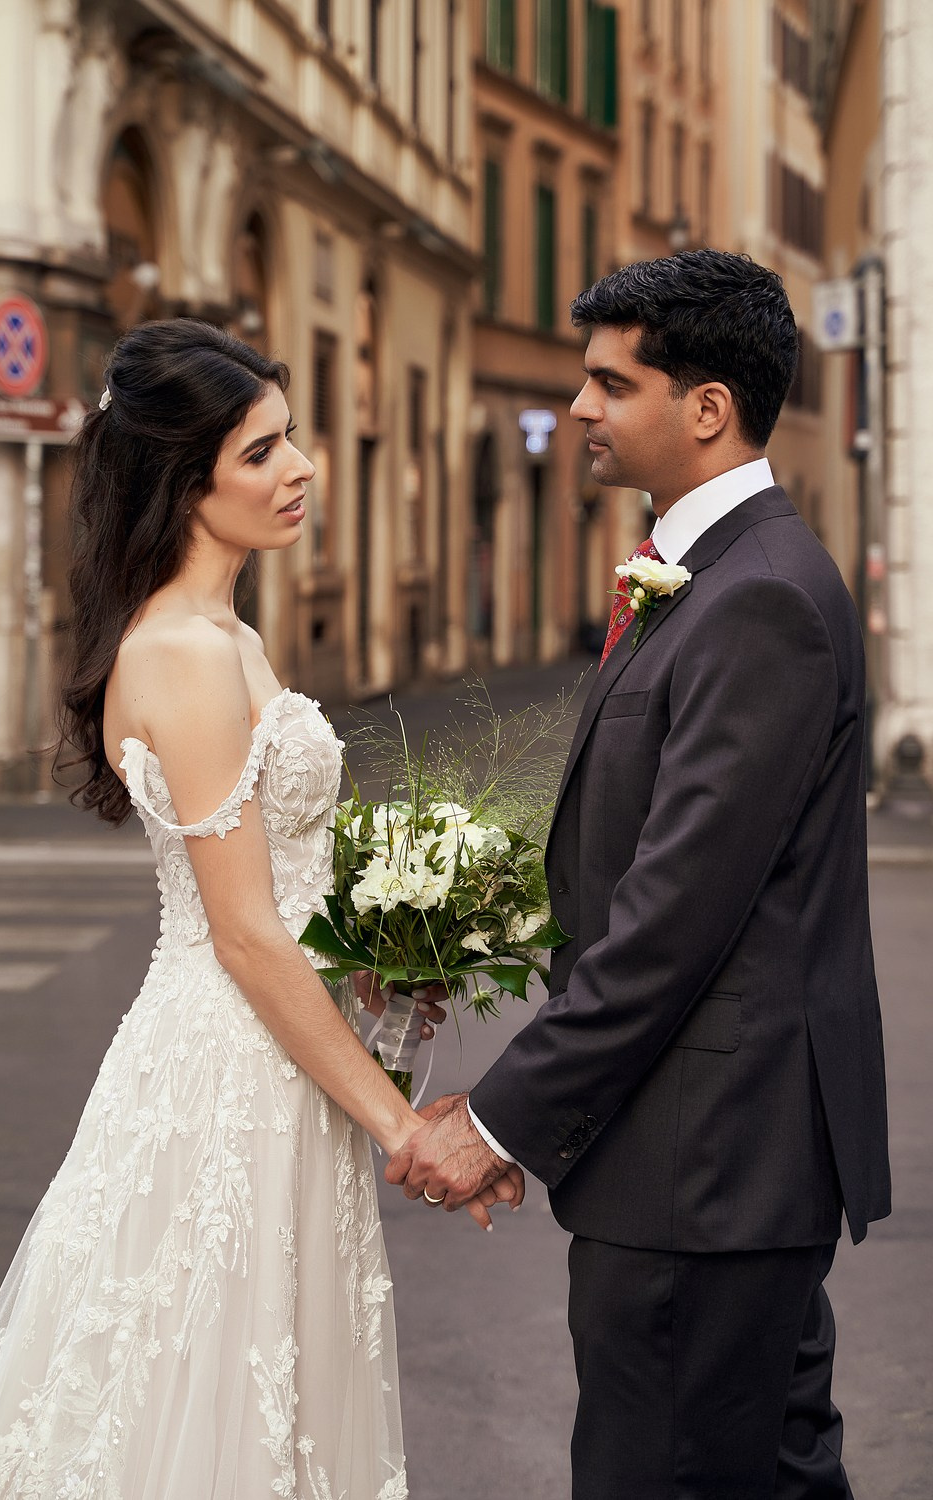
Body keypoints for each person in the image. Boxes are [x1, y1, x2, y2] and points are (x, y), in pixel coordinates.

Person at [0, 318, 522, 1500]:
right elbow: (245, 932)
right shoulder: (186, 654)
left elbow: (283, 904)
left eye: (291, 439)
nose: (300, 467)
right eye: (262, 451)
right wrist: (400, 1127)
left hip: (285, 1056)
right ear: (183, 480)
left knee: (274, 1386)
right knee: (197, 1388)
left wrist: (384, 952)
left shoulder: (232, 636)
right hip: (229, 1070)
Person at [387, 250, 892, 1498]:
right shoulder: (718, 577)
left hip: (704, 1168)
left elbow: (676, 918)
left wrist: (498, 1119)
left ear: (706, 407)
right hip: (715, 1167)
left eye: (611, 384)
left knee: (658, 1475)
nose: (582, 411)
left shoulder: (755, 597)